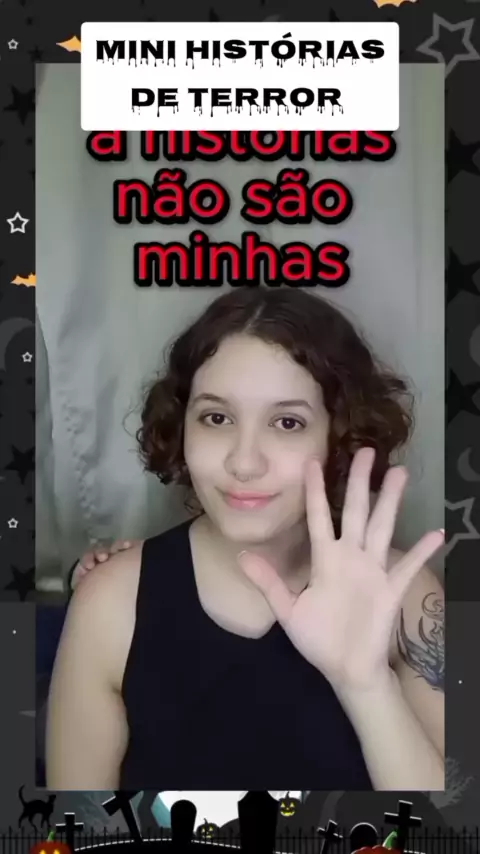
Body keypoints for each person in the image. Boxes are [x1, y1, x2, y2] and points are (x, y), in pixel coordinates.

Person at [46, 286, 445, 792]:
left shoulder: (407, 596)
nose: (244, 462)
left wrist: (366, 686)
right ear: (182, 427)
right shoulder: (110, 603)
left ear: (339, 436)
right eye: (217, 418)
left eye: (287, 422)